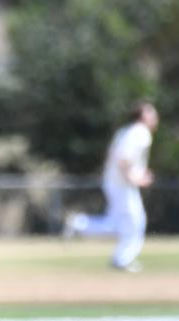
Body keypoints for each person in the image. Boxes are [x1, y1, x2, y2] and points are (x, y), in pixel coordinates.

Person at [64, 102, 159, 272]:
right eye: (152, 114)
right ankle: (122, 259)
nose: (155, 118)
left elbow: (117, 156)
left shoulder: (126, 131)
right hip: (122, 184)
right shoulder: (140, 132)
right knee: (136, 222)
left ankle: (79, 224)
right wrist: (135, 178)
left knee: (116, 224)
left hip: (115, 181)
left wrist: (137, 174)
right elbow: (123, 159)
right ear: (143, 116)